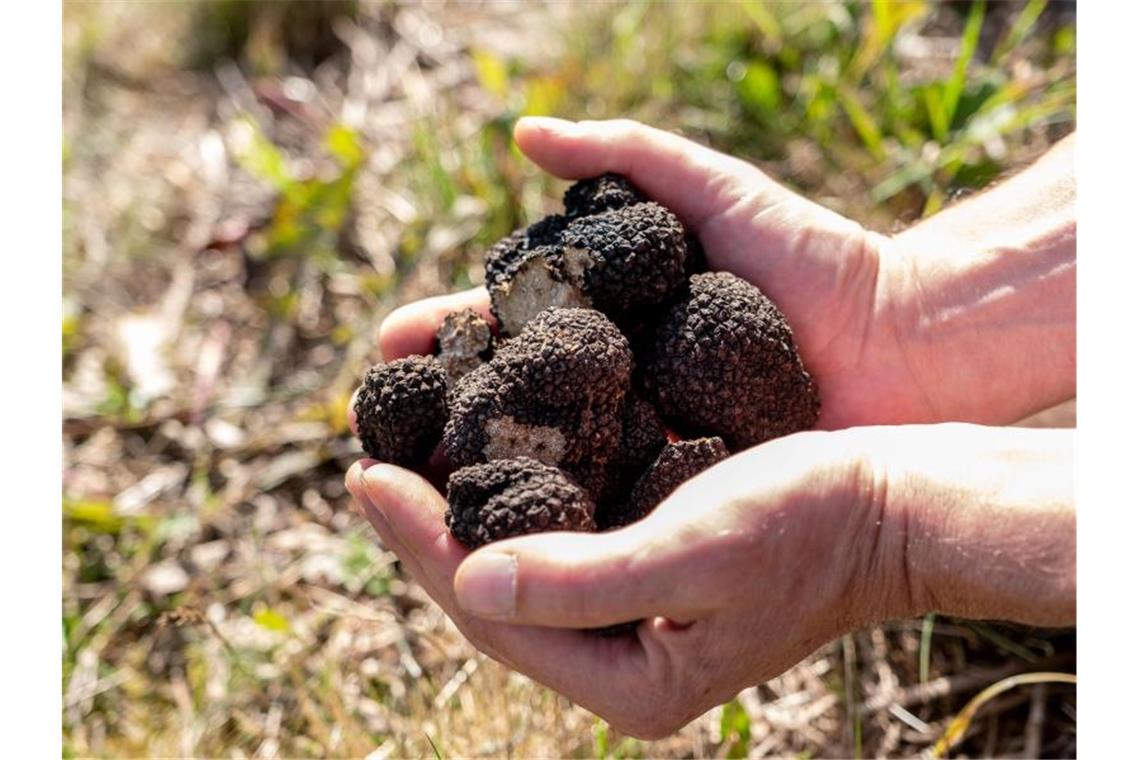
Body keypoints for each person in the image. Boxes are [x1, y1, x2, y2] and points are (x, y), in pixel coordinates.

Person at [344, 117, 1075, 739]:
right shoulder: (565, 361)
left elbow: (636, 270)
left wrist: (878, 534)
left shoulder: (608, 339)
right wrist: (895, 310)